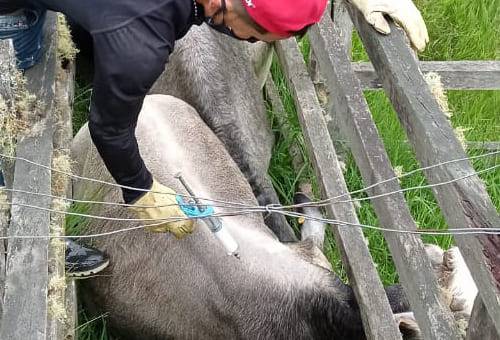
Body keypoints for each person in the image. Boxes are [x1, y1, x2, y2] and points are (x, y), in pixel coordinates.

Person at [0, 0, 428, 276]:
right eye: (258, 37)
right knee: (12, 95)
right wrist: (142, 190)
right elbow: (108, 128)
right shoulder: (141, 44)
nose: (252, 42)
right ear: (231, 13)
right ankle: (8, 235)